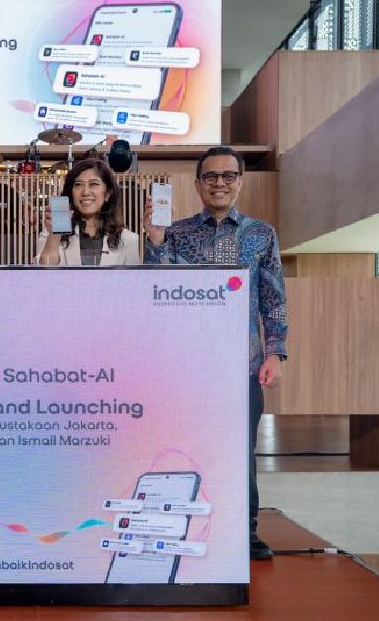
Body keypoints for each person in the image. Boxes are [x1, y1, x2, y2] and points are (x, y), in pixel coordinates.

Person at [142, 146, 287, 561]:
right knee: (185, 447)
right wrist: (156, 240)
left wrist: (275, 353)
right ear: (197, 184)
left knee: (240, 451)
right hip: (188, 367)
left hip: (243, 365)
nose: (219, 183)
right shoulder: (177, 232)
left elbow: (274, 299)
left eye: (228, 176)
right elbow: (155, 288)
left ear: (240, 181)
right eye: (210, 176)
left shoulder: (261, 234)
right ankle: (181, 527)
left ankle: (244, 532)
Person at [36, 158, 141, 266]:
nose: (85, 192)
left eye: (93, 184)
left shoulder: (128, 240)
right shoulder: (48, 233)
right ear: (71, 193)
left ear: (108, 193)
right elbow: (43, 273)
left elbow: (134, 277)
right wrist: (54, 234)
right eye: (78, 184)